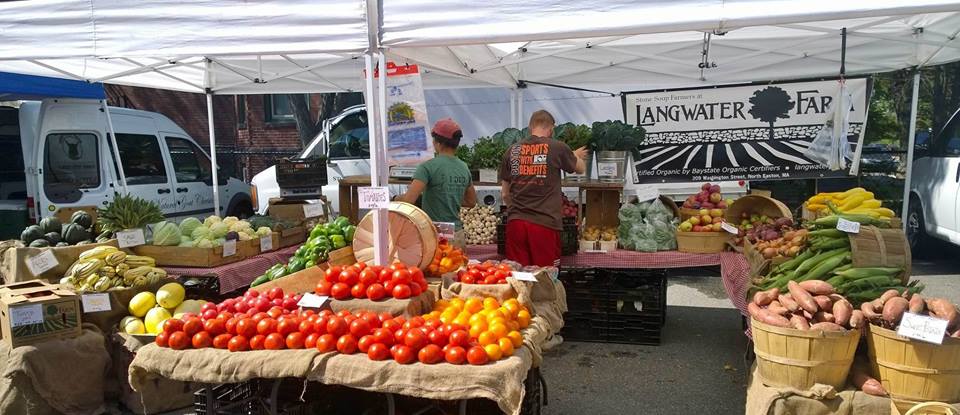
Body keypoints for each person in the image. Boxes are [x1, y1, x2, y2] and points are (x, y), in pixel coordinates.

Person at [499, 110, 587, 266]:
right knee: (545, 277)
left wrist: (517, 210)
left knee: (519, 277)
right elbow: (580, 169)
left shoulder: (512, 151)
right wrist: (575, 155)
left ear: (530, 127)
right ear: (552, 129)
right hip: (544, 224)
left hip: (516, 224)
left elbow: (505, 194)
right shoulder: (557, 148)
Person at [398, 118, 477, 235]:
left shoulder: (427, 167)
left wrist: (394, 199)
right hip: (457, 233)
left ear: (438, 143)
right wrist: (450, 198)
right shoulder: (464, 167)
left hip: (434, 234)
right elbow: (471, 202)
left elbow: (408, 200)